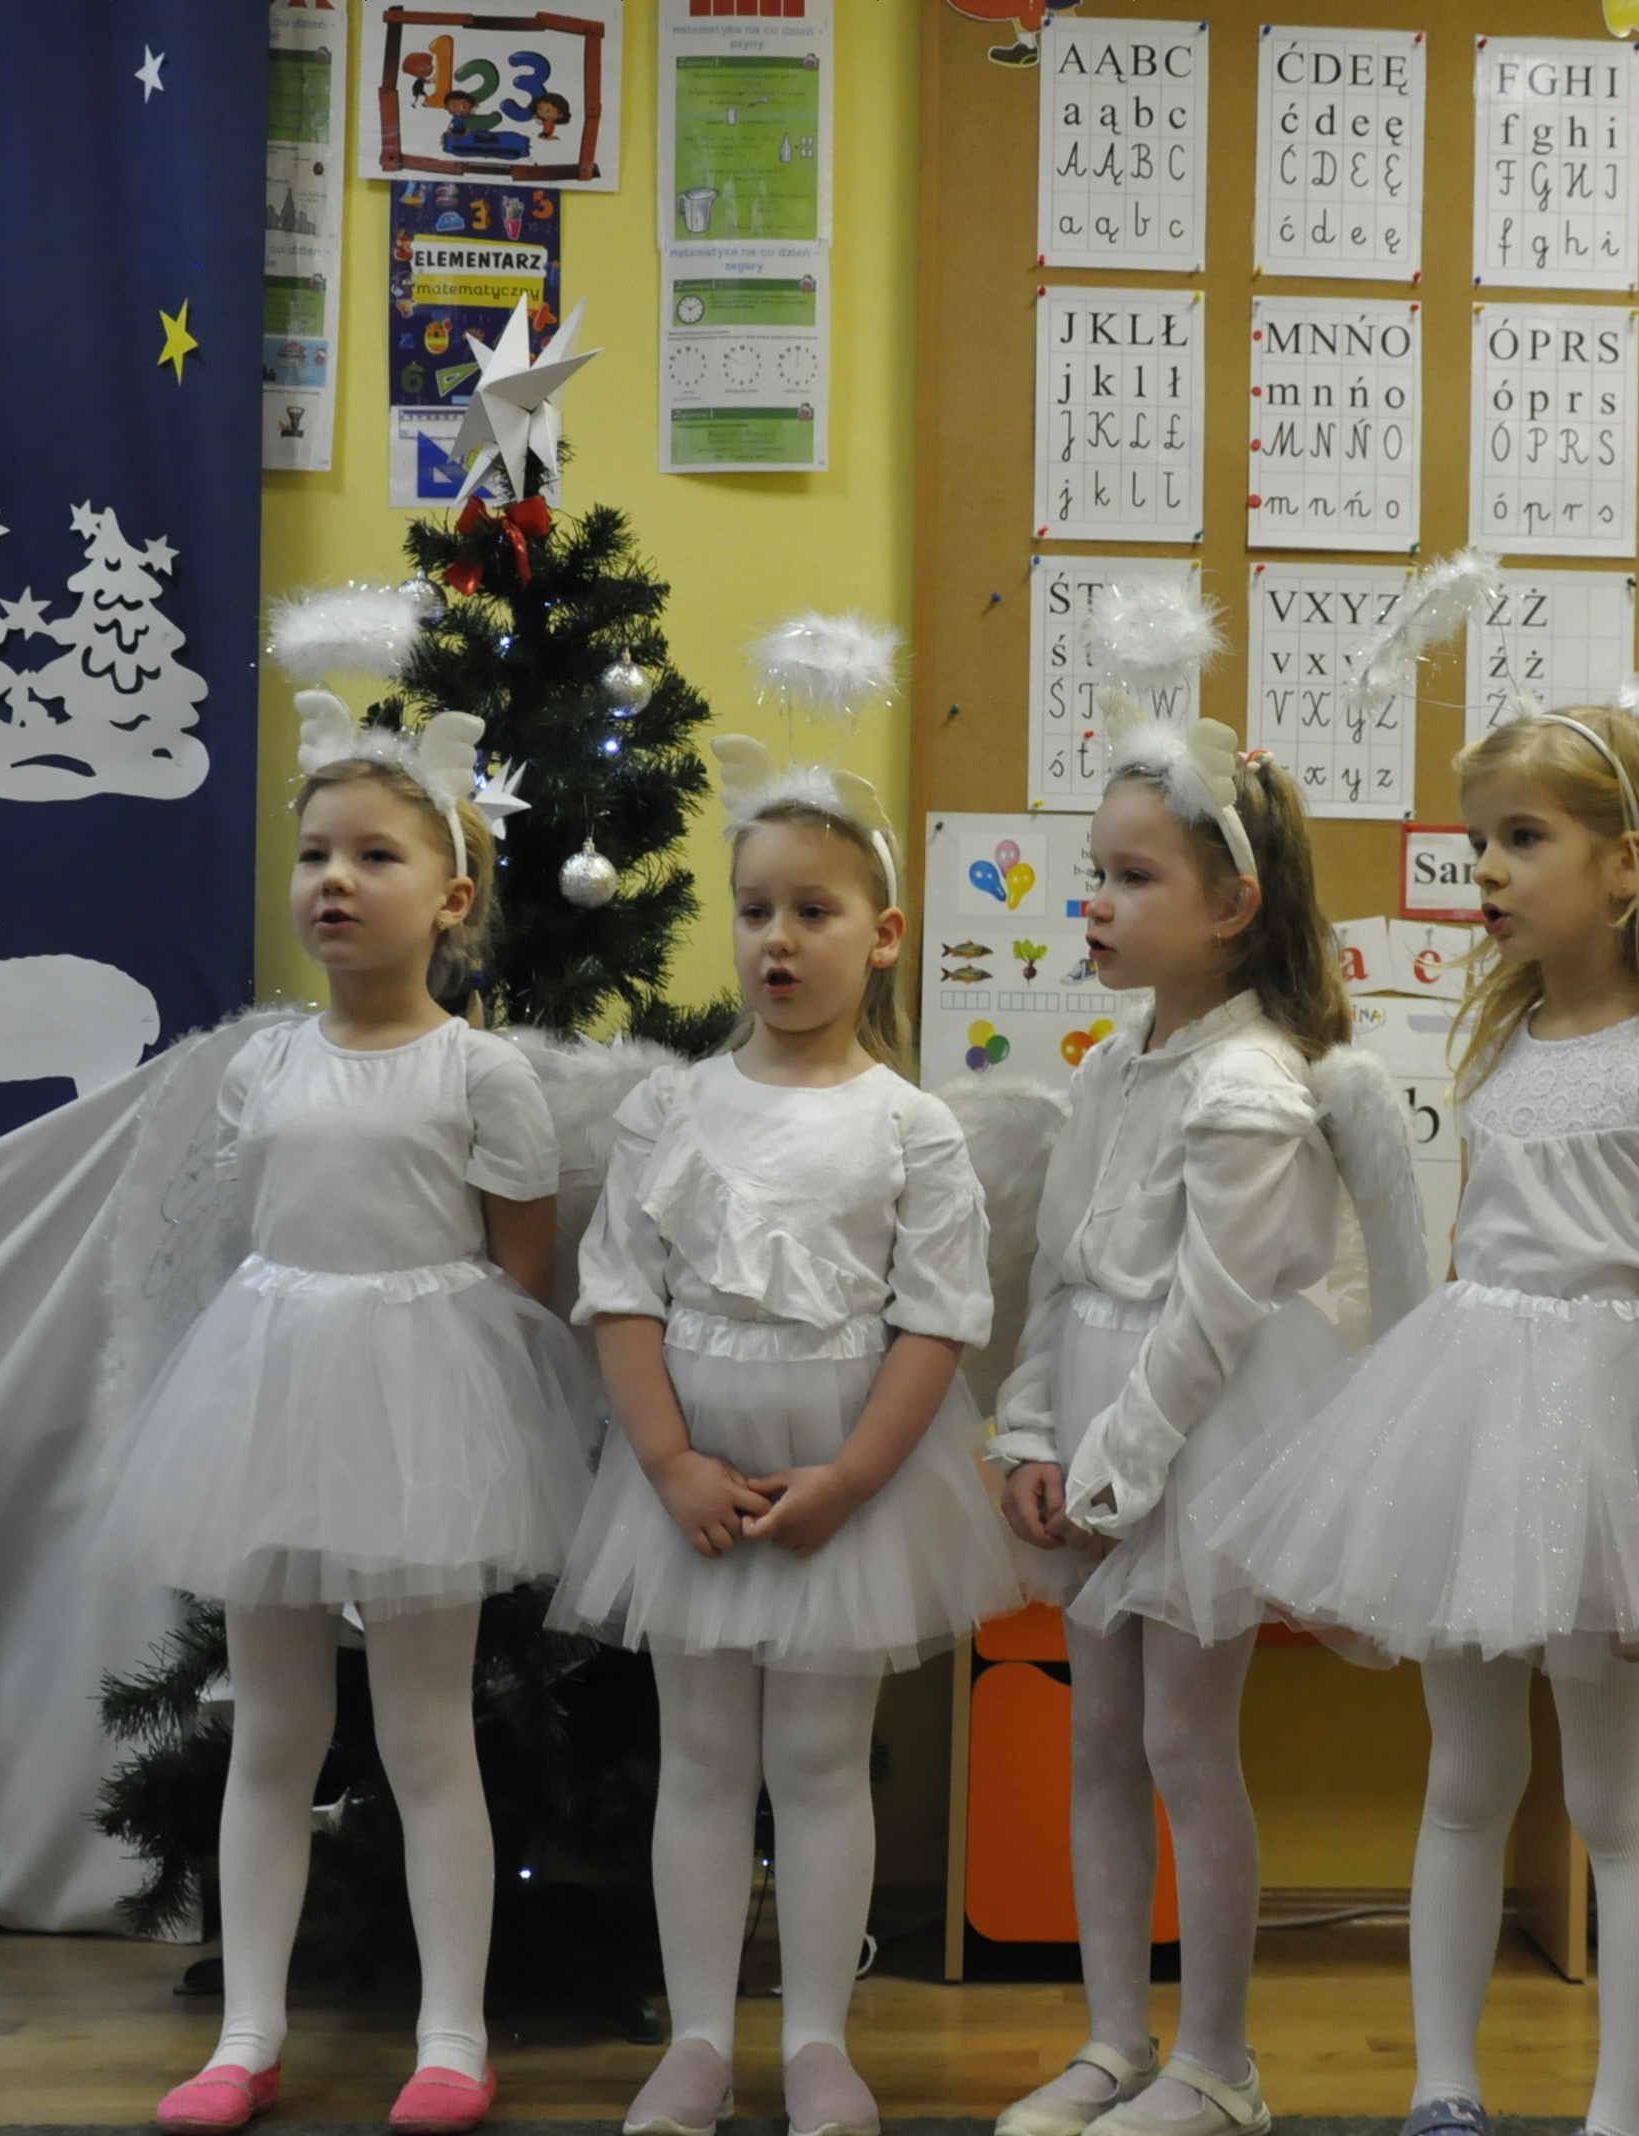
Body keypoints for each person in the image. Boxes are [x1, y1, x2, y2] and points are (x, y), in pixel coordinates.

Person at [1211, 704, 1639, 2136]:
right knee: (1465, 1775)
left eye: (1525, 838)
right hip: (1477, 1410)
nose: (1489, 870)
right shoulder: (1508, 1039)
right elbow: (1481, 1251)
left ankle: (1622, 2112)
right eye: (1480, 843)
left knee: (1613, 1795)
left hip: (1603, 1438)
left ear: (1628, 863)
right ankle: (1443, 2087)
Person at [117, 706, 595, 2135]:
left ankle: (452, 2038)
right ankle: (246, 2036)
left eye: (375, 855)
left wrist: (452, 1409)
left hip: (423, 1410)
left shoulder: (481, 1073)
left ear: (451, 896)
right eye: (315, 852)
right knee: (272, 1731)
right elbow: (250, 1230)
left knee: (425, 1734)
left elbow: (521, 1276)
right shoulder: (262, 1066)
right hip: (271, 1394)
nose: (334, 878)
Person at [554, 741, 1018, 2136]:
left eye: (814, 911)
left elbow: (937, 1322)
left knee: (820, 1761)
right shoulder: (671, 1107)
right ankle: (698, 2040)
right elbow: (621, 1295)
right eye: (756, 908)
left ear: (883, 936)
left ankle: (819, 2041)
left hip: (846, 1479)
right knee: (700, 1758)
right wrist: (669, 1463)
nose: (778, 938)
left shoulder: (912, 1128)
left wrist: (854, 1480)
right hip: (689, 1475)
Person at [987, 716, 1357, 2136]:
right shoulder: (1110, 1069)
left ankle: (1218, 2064)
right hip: (1091, 1422)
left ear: (1232, 906)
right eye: (1096, 873)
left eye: (1134, 878)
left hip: (1190, 1441)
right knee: (1100, 1739)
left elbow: (1212, 1311)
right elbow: (1058, 1272)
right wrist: (1030, 1433)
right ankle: (1112, 2042)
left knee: (1186, 1745)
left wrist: (1122, 1465)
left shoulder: (1250, 1083)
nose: (1096, 902)